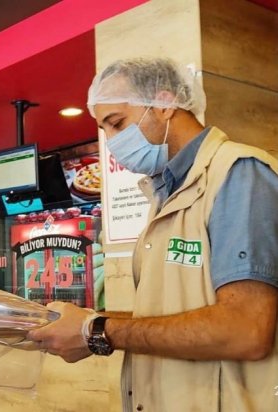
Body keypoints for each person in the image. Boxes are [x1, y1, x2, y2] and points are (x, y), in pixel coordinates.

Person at [28, 57, 278, 411]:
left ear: (164, 103)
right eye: (105, 130)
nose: (112, 142)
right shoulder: (166, 193)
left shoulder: (238, 174)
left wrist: (96, 331)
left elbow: (246, 330)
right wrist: (86, 322)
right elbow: (176, 315)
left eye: (117, 123)